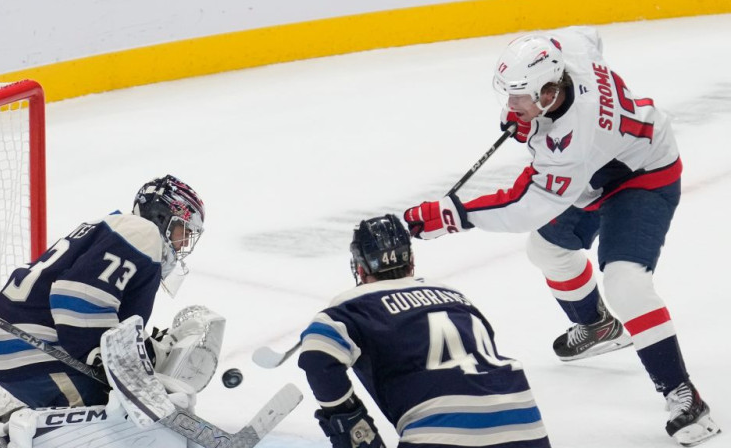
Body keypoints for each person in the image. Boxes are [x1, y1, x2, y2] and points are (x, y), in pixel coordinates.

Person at [403, 27, 720, 446]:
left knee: (627, 283)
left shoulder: (570, 142)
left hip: (644, 174)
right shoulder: (565, 52)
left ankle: (684, 396)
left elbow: (526, 205)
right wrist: (537, 119)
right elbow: (588, 35)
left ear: (550, 93)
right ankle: (598, 327)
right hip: (602, 166)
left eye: (520, 96)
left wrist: (452, 215)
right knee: (548, 248)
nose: (511, 106)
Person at [298, 214, 551, 448]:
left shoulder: (354, 303)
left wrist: (351, 424)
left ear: (361, 269)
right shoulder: (455, 296)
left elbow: (317, 356)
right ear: (412, 262)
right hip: (527, 429)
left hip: (442, 435)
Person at [0, 174, 205, 409]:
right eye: (184, 230)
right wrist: (102, 357)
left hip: (21, 346)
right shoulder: (144, 233)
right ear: (162, 216)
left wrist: (144, 348)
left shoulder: (121, 228)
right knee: (116, 423)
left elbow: (99, 306)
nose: (184, 242)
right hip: (35, 352)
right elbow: (76, 297)